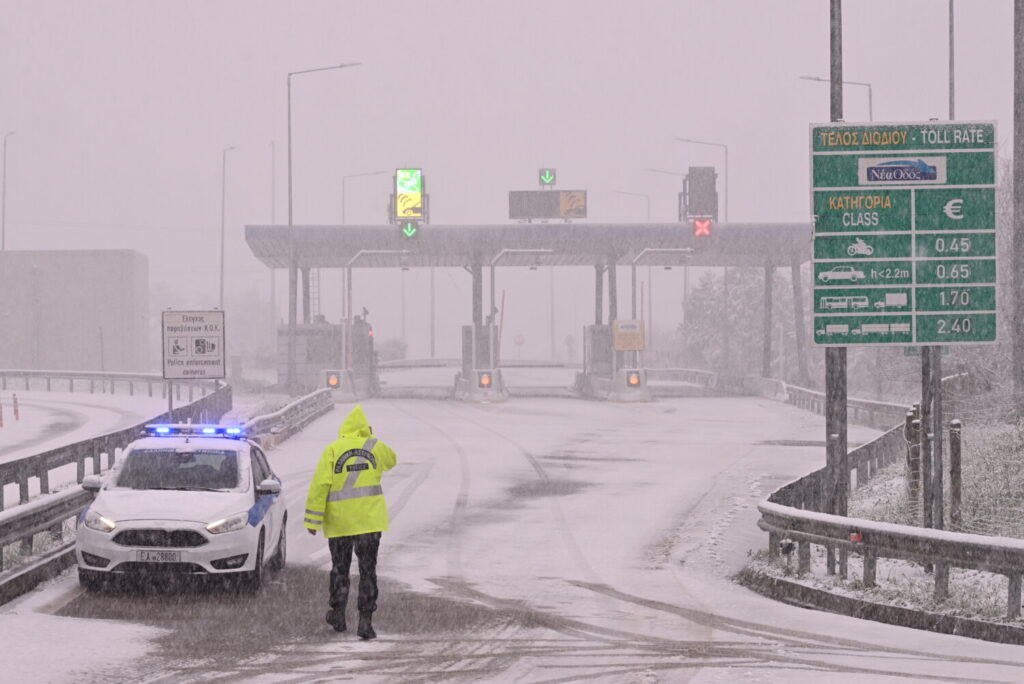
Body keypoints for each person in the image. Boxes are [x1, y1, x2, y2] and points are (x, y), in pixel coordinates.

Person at [304, 404, 398, 639]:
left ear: (344, 429)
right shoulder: (374, 447)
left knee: (340, 569)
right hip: (369, 522)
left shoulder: (333, 450)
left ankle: (338, 613)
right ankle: (365, 621)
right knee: (367, 571)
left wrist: (313, 521)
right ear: (364, 429)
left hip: (340, 524)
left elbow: (320, 486)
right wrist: (370, 437)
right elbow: (392, 460)